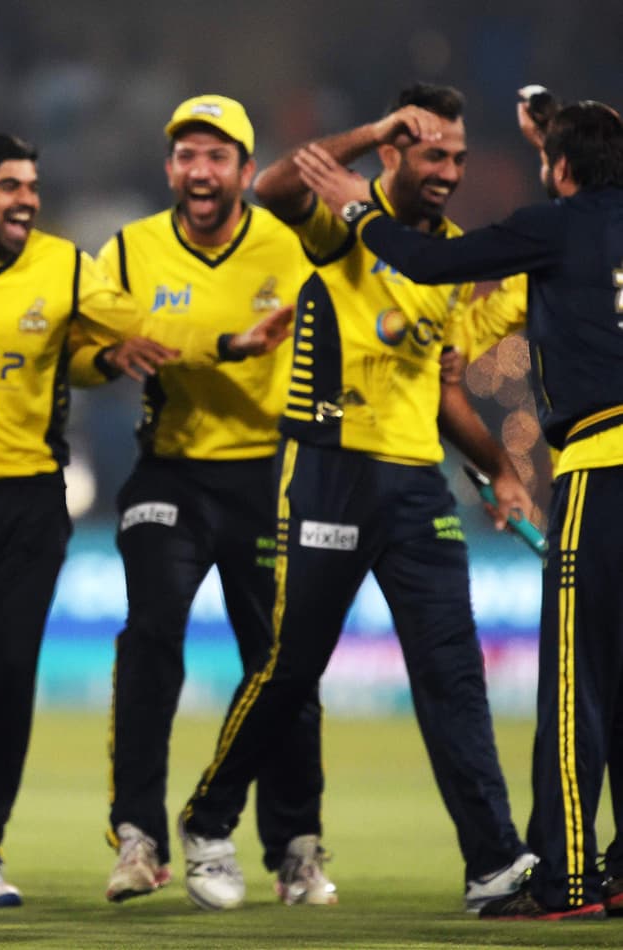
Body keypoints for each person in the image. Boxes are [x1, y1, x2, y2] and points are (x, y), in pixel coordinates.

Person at [176, 83, 537, 913]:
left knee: (454, 675)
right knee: (291, 669)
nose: (447, 170)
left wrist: (498, 469)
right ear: (395, 154)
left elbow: (446, 392)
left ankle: (493, 864)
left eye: (457, 157)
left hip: (416, 486)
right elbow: (268, 189)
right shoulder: (344, 217)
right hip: (329, 470)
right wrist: (372, 129)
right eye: (431, 152)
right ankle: (208, 820)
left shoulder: (446, 257)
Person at [0, 132, 234, 907]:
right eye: (9, 185)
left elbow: (129, 330)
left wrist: (154, 348)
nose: (27, 200)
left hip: (33, 498)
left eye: (32, 186)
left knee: (8, 677)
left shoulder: (67, 265)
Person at [293, 96, 623, 920]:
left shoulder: (558, 222)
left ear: (563, 172)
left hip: (604, 465)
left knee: (577, 685)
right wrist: (558, 128)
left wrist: (360, 209)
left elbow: (433, 264)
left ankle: (570, 878)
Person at [92, 94, 327, 907]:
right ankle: (139, 837)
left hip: (268, 477)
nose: (199, 170)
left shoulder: (289, 245)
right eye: (186, 156)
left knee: (284, 662)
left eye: (216, 156)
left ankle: (295, 846)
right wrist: (108, 350)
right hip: (169, 472)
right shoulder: (129, 249)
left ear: (246, 171)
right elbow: (86, 350)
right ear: (169, 169)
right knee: (151, 636)